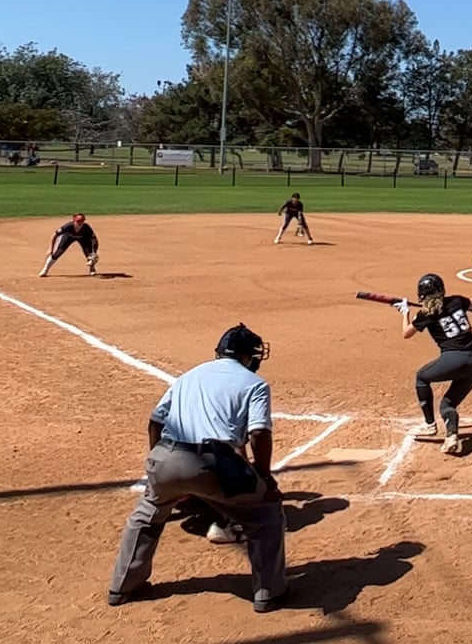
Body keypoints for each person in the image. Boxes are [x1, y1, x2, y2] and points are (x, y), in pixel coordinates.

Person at [106, 323, 290, 613]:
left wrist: (158, 461)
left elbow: (155, 422)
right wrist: (265, 476)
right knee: (266, 513)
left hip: (165, 458)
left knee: (147, 515)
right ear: (248, 356)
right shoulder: (255, 384)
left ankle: (122, 586)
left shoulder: (189, 376)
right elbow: (258, 433)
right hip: (211, 465)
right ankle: (269, 592)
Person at [399, 273, 472, 456]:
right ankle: (451, 435)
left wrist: (405, 313)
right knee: (447, 404)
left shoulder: (425, 314)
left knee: (422, 377)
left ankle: (429, 424)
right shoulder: (457, 301)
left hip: (454, 360)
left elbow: (406, 333)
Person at [40, 213, 99, 277]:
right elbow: (55, 235)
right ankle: (45, 270)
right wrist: (51, 249)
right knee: (58, 253)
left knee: (90, 254)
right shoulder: (68, 226)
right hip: (68, 237)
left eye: (82, 221)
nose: (80, 223)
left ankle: (92, 269)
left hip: (83, 238)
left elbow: (94, 240)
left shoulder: (87, 228)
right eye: (78, 221)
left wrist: (94, 252)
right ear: (74, 220)